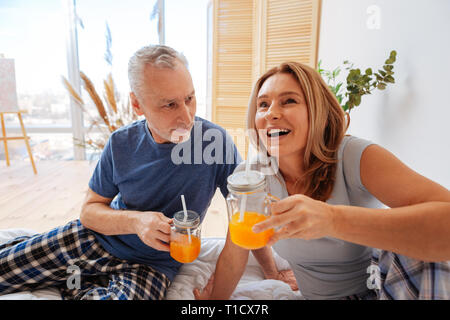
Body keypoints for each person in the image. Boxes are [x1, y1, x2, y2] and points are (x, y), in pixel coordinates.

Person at [0, 44, 245, 300]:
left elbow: (247, 214)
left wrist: (271, 268)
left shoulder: (215, 142)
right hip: (96, 239)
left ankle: (78, 285)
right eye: (169, 105)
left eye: (189, 99)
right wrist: (137, 222)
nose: (186, 117)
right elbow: (89, 211)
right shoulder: (121, 143)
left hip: (151, 266)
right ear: (137, 105)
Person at [194, 61, 450, 300]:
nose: (271, 113)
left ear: (318, 112)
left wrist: (332, 220)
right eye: (263, 104)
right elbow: (234, 254)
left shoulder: (355, 157)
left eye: (289, 101)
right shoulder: (252, 175)